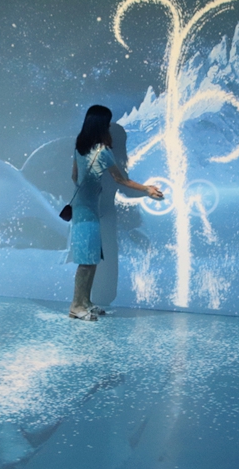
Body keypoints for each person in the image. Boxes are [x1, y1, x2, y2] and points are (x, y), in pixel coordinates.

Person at [68, 105, 163, 321]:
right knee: (87, 262)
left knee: (91, 259)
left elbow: (74, 177)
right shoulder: (103, 151)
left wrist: (88, 191)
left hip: (83, 208)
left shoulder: (80, 149)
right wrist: (147, 189)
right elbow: (121, 180)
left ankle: (85, 301)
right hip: (93, 211)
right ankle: (76, 305)